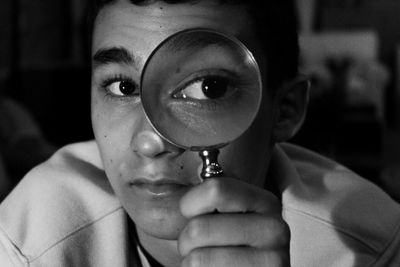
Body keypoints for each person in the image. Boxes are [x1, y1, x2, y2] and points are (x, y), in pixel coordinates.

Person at [0, 0, 400, 266]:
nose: (149, 141)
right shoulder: (30, 239)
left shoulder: (370, 249)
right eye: (122, 87)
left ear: (286, 109)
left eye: (207, 88)